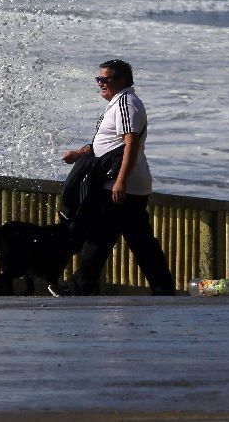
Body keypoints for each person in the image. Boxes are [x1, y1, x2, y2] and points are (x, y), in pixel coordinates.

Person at [55, 60, 175, 296]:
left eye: (105, 79)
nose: (100, 84)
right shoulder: (120, 103)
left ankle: (80, 288)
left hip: (117, 185)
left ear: (121, 81)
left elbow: (130, 145)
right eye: (98, 79)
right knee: (140, 241)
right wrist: (79, 154)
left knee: (98, 237)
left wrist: (120, 182)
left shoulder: (126, 103)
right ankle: (163, 289)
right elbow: (109, 144)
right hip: (127, 184)